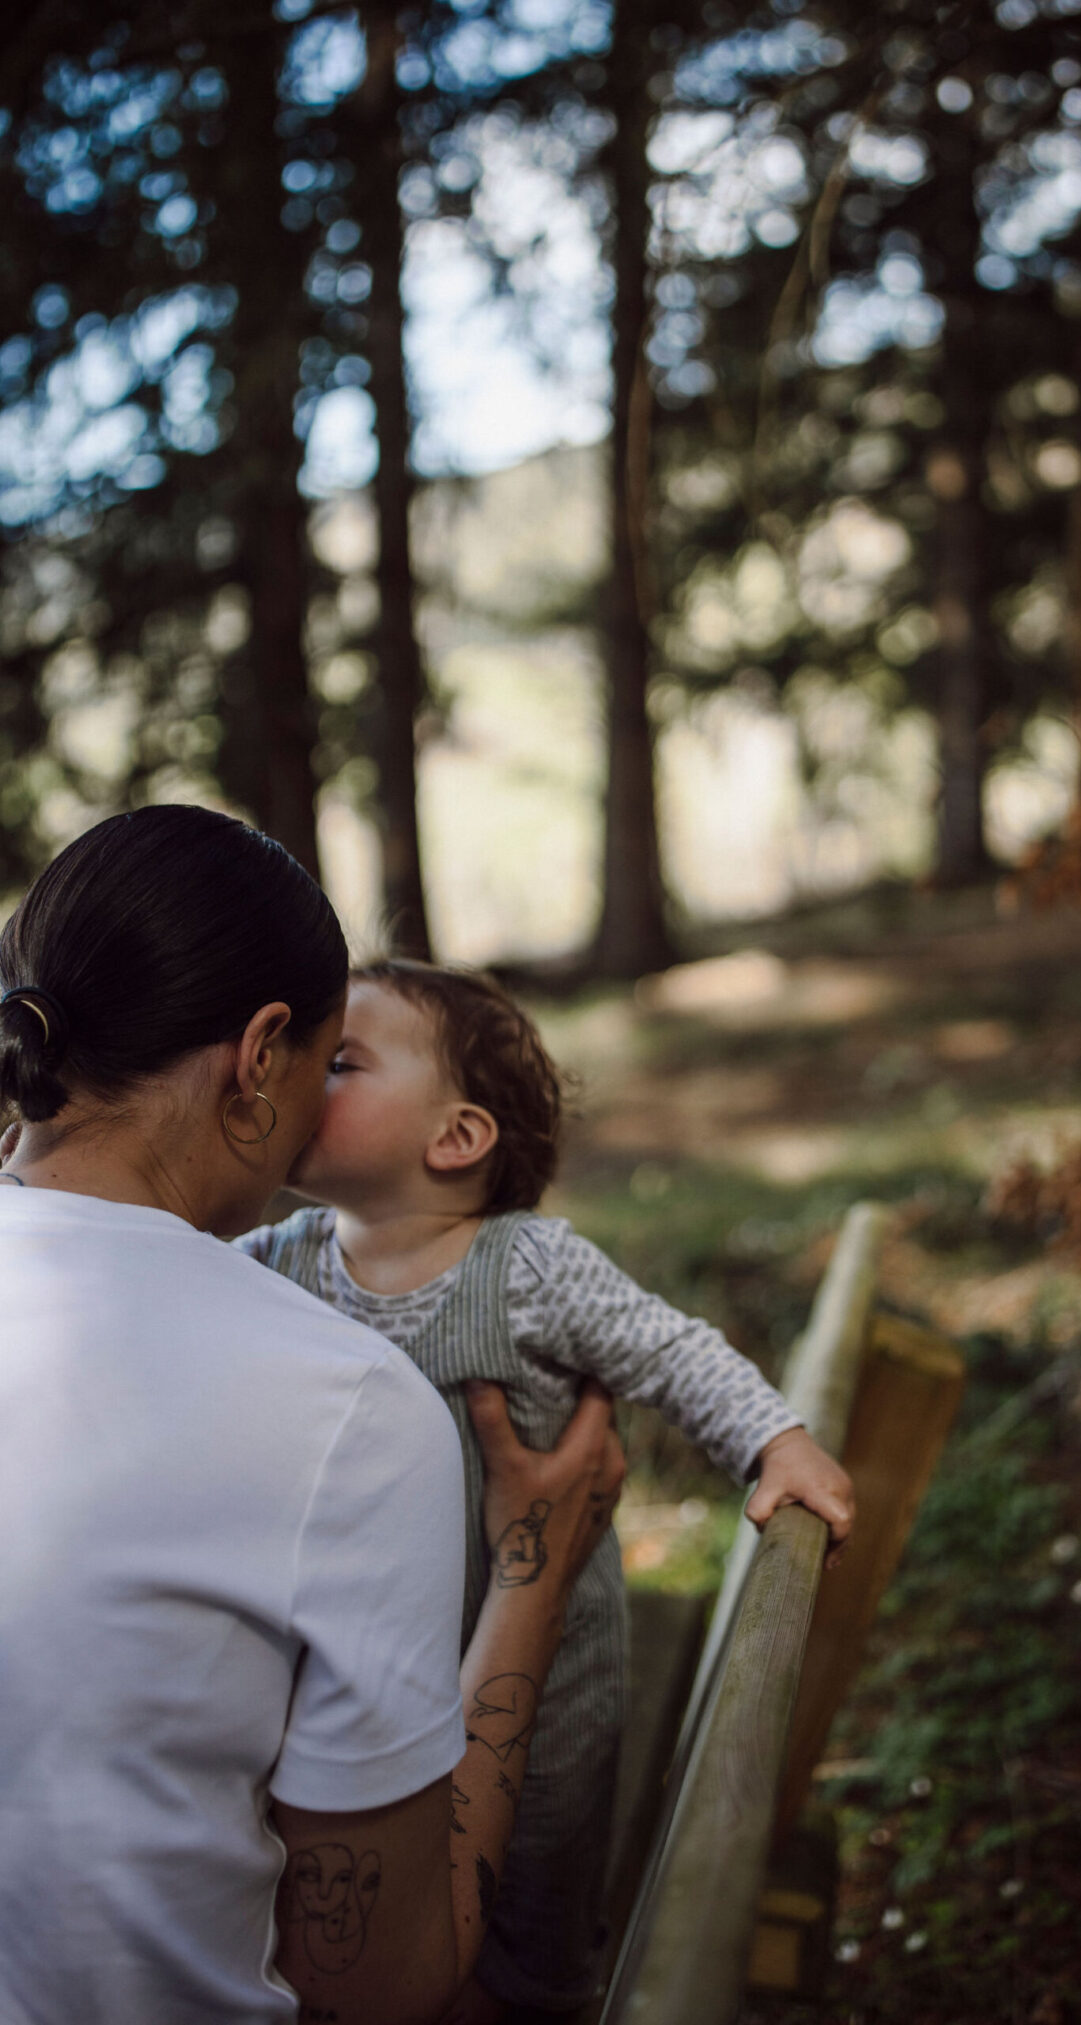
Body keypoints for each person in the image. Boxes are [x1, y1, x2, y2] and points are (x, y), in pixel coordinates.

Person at [0, 806, 623, 2025]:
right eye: (327, 1064)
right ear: (261, 1053)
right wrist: (532, 1574)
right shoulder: (345, 1409)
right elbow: (378, 1993)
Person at [238, 957, 856, 2018]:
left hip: (547, 1672)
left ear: (457, 1138)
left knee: (537, 1864)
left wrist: (775, 1441)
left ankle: (547, 1994)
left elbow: (672, 1352)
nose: (300, 1077)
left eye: (339, 1061)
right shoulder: (276, 1260)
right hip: (366, 1674)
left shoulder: (523, 1268)